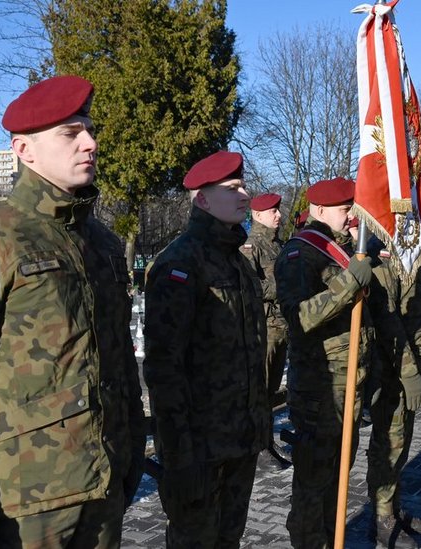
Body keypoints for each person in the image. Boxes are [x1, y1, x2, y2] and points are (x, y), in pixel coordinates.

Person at [0, 75, 146, 548]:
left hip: (104, 485)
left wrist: (131, 448)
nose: (91, 143)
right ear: (24, 150)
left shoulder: (102, 245)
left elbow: (116, 361)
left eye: (90, 129)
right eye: (70, 133)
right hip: (24, 503)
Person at [143, 151, 269, 548]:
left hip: (239, 438)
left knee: (229, 538)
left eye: (243, 186)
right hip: (199, 448)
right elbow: (164, 368)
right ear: (202, 200)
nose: (245, 194)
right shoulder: (180, 263)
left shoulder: (238, 263)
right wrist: (180, 455)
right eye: (232, 189)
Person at [274, 178, 374, 548]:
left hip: (348, 383)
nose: (351, 215)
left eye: (350, 207)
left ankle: (331, 539)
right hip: (320, 386)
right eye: (343, 208)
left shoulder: (340, 251)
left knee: (338, 474)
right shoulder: (301, 254)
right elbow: (299, 317)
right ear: (317, 210)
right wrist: (348, 284)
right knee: (314, 483)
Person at [365, 239, 421, 547]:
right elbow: (389, 324)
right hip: (390, 371)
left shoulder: (402, 261)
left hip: (409, 363)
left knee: (402, 441)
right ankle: (381, 518)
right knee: (389, 444)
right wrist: (409, 373)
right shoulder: (382, 265)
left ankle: (393, 508)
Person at [241, 192, 291, 467]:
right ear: (258, 215)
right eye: (273, 211)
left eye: (278, 210)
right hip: (266, 327)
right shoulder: (251, 246)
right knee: (261, 390)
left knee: (271, 391)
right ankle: (259, 446)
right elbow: (250, 285)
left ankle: (267, 441)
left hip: (281, 325)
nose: (278, 215)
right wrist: (280, 288)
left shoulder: (278, 245)